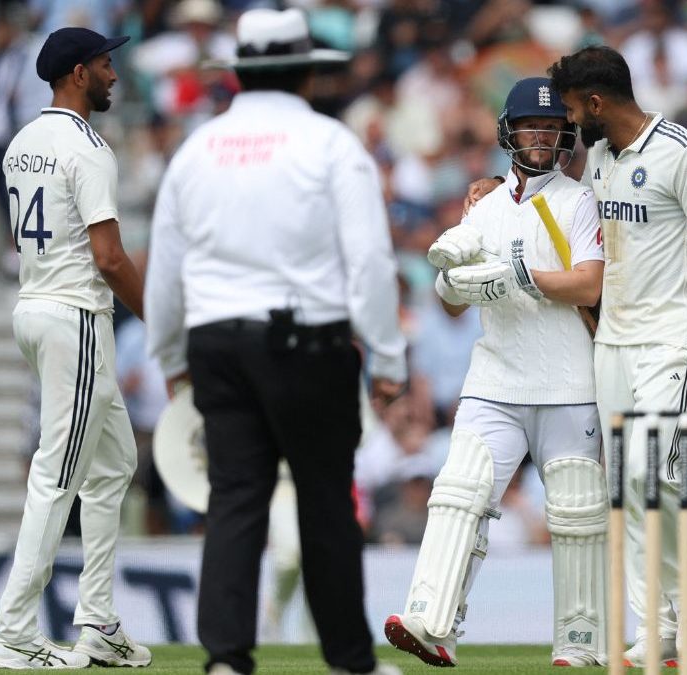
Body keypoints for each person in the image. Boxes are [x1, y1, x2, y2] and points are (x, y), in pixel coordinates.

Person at [466, 46, 687, 667]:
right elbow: (553, 203)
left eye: (571, 110)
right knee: (624, 488)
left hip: (673, 340)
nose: (568, 125)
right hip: (615, 341)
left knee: (655, 473)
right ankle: (657, 622)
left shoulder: (685, 151)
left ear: (596, 103)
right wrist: (496, 188)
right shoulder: (599, 156)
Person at [144, 9, 405, 675]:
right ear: (308, 70)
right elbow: (370, 258)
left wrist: (171, 357)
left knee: (235, 499)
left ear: (239, 70)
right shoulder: (329, 142)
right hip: (305, 342)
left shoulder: (197, 148)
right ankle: (350, 660)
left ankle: (226, 659)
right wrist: (386, 353)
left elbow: (165, 264)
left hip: (215, 343)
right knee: (324, 498)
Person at [383, 76, 607, 668]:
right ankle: (431, 621)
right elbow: (452, 302)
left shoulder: (577, 199)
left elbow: (590, 282)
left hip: (568, 383)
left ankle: (580, 642)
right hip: (495, 380)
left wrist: (515, 278)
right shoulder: (481, 203)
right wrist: (455, 279)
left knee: (578, 513)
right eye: (532, 127)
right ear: (510, 133)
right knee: (459, 493)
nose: (542, 137)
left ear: (565, 135)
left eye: (553, 127)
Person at [0, 26, 152, 670]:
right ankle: (15, 632)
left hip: (32, 308)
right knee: (56, 477)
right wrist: (159, 320)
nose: (114, 74)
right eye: (106, 64)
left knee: (112, 463)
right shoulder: (89, 148)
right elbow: (109, 258)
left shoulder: (22, 141)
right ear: (78, 74)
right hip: (76, 316)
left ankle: (98, 622)